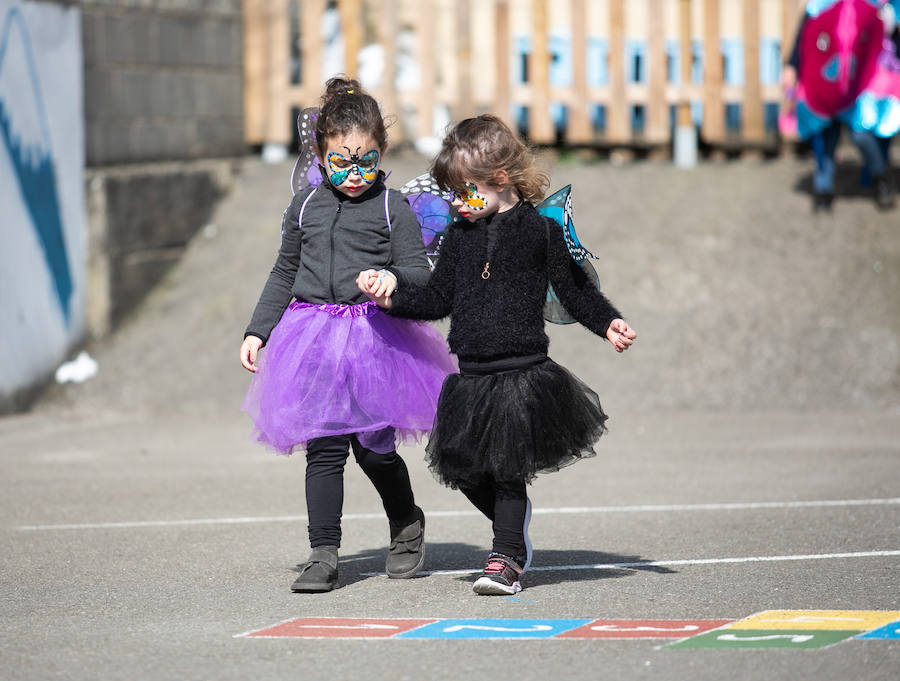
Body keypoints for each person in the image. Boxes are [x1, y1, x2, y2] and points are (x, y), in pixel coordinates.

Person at [357, 114, 636, 596]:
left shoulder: (538, 232)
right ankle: (515, 523)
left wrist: (606, 321)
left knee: (508, 470)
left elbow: (572, 290)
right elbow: (438, 299)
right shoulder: (460, 237)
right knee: (463, 468)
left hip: (521, 373)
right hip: (471, 377)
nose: (454, 203)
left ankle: (506, 557)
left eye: (463, 191)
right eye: (449, 192)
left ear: (500, 179)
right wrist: (391, 300)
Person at [239, 77, 457, 593]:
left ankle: (406, 524)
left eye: (367, 161)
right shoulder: (304, 206)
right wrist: (257, 330)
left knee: (376, 448)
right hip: (311, 335)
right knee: (325, 448)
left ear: (381, 152)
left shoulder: (391, 206)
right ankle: (323, 553)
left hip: (374, 340)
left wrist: (393, 278)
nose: (355, 174)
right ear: (321, 154)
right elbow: (283, 272)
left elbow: (419, 268)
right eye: (342, 162)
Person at [782, 0, 900, 211]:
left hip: (862, 81)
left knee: (862, 132)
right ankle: (823, 189)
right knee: (826, 134)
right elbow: (805, 35)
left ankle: (879, 177)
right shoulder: (820, 5)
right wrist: (792, 65)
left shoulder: (879, 7)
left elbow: (888, 37)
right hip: (826, 78)